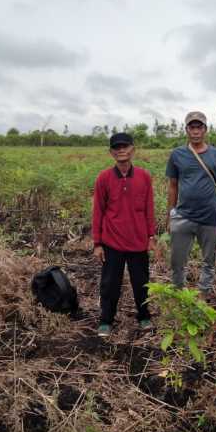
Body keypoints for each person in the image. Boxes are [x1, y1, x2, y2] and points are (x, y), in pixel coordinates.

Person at [92, 133, 156, 337]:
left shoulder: (144, 176)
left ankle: (144, 316)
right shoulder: (104, 178)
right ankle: (106, 320)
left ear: (132, 149)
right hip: (112, 242)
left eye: (125, 146)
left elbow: (149, 208)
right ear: (111, 152)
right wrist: (97, 243)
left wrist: (151, 237)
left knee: (141, 283)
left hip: (138, 242)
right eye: (116, 147)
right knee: (110, 283)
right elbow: (98, 211)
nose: (121, 150)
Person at [165, 111, 216, 295]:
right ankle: (179, 295)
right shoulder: (177, 154)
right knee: (177, 261)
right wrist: (170, 215)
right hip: (182, 216)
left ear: (205, 129)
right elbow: (172, 186)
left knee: (208, 261)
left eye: (199, 127)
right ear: (186, 130)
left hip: (210, 216)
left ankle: (203, 297)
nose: (195, 131)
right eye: (191, 127)